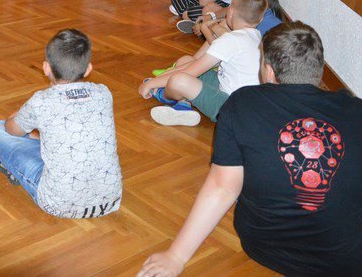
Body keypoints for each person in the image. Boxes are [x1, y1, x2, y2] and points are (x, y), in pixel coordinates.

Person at [138, 22, 362, 276]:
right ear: (319, 70)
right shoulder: (356, 110)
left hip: (269, 247)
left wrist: (176, 256)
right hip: (348, 258)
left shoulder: (243, 102)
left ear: (268, 71)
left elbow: (223, 188)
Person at [0, 29, 122, 218]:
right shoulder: (104, 93)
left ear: (46, 68)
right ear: (88, 69)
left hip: (58, 204)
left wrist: (18, 116)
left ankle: (14, 168)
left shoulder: (41, 102)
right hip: (109, 200)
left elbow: (12, 130)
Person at [139, 0, 268, 126]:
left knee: (179, 80)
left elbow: (189, 72)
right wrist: (159, 79)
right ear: (260, 19)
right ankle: (183, 106)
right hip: (238, 101)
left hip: (230, 109)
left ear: (230, 12)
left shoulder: (231, 40)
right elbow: (193, 63)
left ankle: (162, 95)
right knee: (186, 61)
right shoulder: (257, 37)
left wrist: (152, 83)